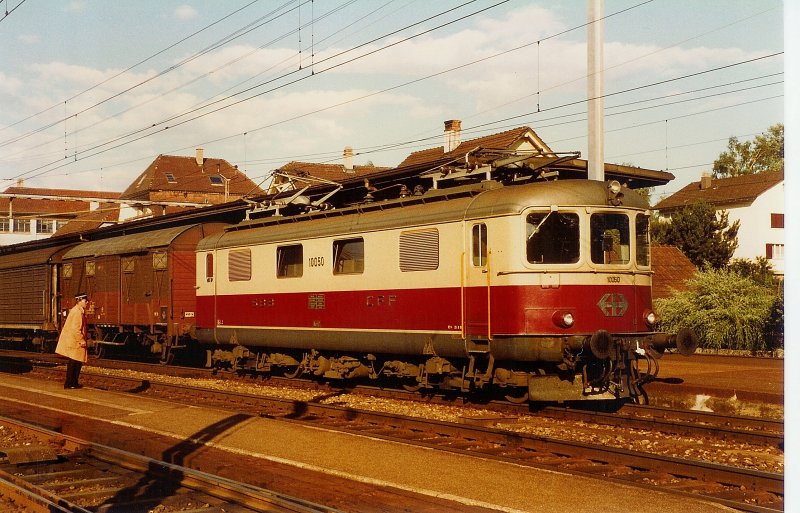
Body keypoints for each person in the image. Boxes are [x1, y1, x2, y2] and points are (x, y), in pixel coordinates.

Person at [55, 292, 90, 389]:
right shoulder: (77, 312)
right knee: (74, 362)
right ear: (79, 301)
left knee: (76, 362)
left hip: (73, 340)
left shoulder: (78, 311)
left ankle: (73, 382)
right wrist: (81, 340)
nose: (87, 302)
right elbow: (76, 329)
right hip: (75, 341)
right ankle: (70, 383)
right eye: (85, 300)